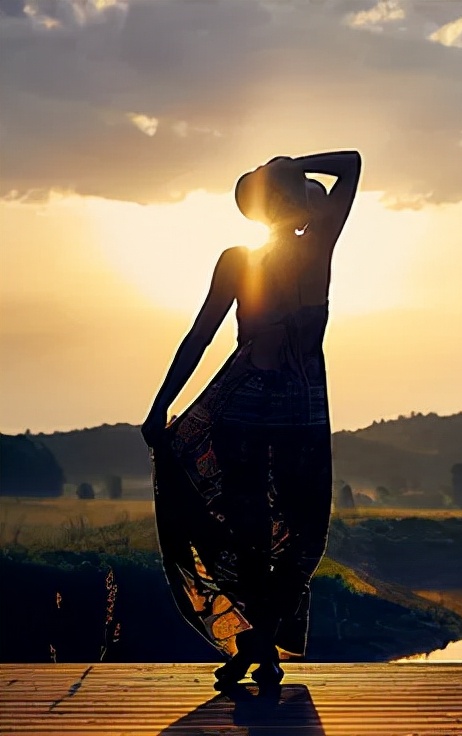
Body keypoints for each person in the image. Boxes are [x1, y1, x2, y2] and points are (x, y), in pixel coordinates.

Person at [142, 151, 361, 692]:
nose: (313, 197)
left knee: (294, 537)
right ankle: (261, 646)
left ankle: (258, 644)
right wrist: (160, 403)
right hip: (259, 416)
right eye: (300, 190)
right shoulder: (263, 256)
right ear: (280, 203)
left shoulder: (313, 248)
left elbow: (352, 164)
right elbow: (200, 334)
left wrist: (283, 164)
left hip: (279, 416)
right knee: (262, 537)